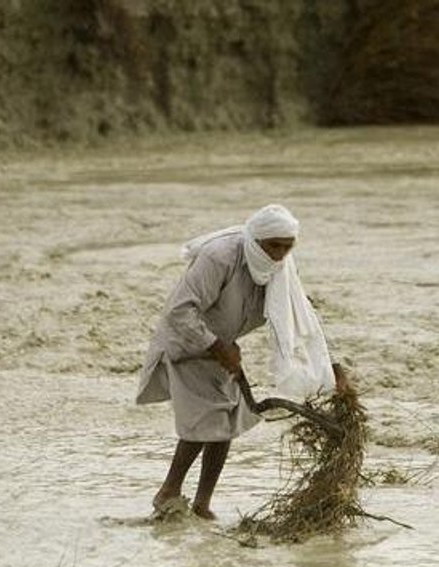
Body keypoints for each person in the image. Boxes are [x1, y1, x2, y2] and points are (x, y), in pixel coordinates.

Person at [135, 204, 347, 520]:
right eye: (274, 246)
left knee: (228, 421)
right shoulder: (220, 257)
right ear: (257, 239)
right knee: (209, 421)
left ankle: (201, 504)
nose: (279, 254)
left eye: (287, 247)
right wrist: (219, 347)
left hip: (222, 346)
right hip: (187, 342)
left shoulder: (282, 267)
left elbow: (303, 316)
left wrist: (334, 367)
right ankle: (168, 492)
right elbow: (179, 311)